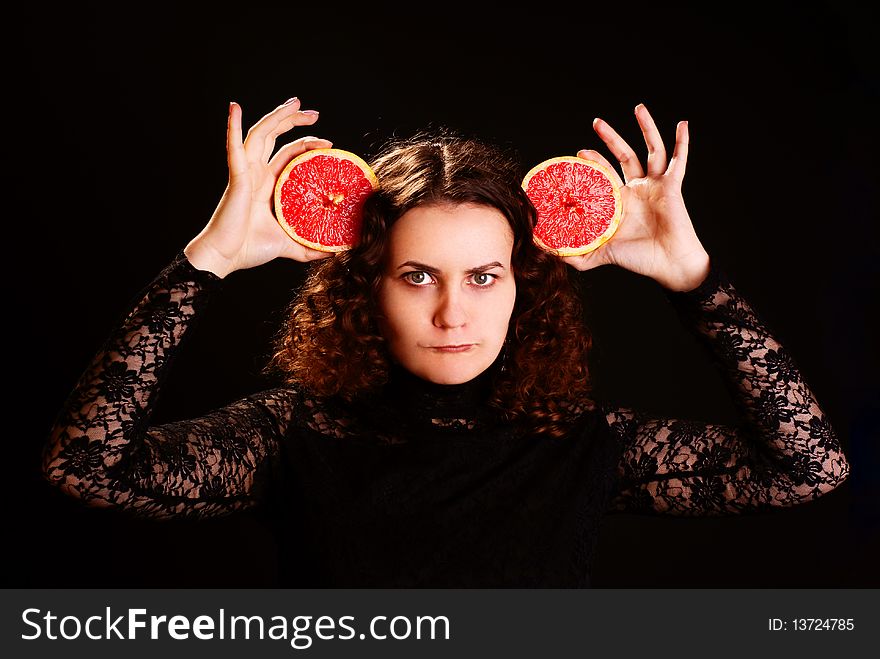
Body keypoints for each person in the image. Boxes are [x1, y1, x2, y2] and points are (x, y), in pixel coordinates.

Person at [42, 96, 850, 587]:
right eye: (419, 276)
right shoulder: (293, 435)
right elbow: (84, 466)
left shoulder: (579, 442)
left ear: (521, 288)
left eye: (485, 277)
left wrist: (695, 279)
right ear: (368, 286)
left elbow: (809, 468)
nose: (453, 313)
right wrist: (208, 258)